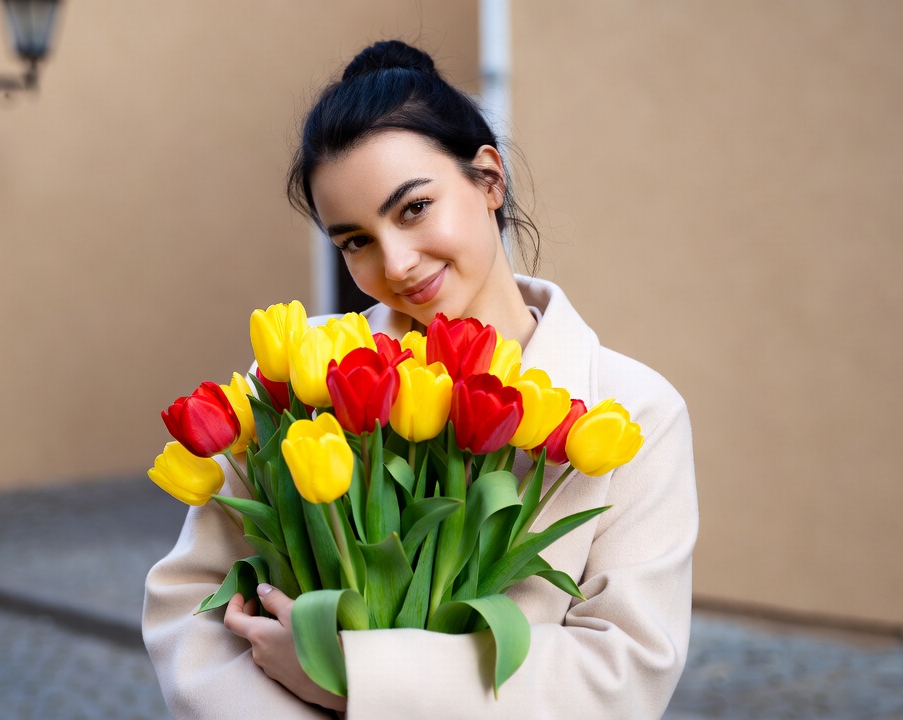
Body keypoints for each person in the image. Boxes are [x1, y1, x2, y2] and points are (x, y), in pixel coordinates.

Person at [143, 40, 698, 719]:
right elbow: (191, 616)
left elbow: (623, 673)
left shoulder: (634, 409)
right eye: (355, 241)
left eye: (413, 208)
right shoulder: (297, 378)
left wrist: (355, 681)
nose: (397, 263)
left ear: (489, 179)